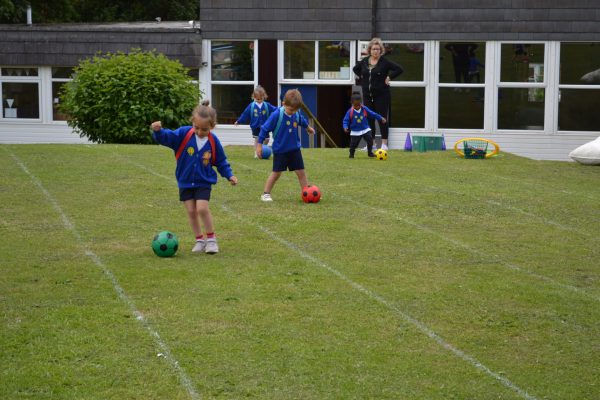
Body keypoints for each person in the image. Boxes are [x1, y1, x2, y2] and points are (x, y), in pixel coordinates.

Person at [150, 100, 238, 254]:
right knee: (191, 211)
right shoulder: (184, 134)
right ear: (192, 123)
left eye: (204, 129)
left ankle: (211, 240)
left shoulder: (213, 141)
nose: (199, 132)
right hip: (185, 181)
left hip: (203, 181)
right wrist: (158, 131)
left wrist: (229, 175)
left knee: (202, 208)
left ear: (212, 126)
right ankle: (199, 240)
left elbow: (221, 161)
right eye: (196, 127)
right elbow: (168, 137)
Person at [255, 89, 315, 202]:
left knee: (301, 172)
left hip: (294, 150)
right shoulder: (277, 115)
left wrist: (308, 128)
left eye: (296, 110)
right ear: (283, 104)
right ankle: (266, 194)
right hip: (280, 150)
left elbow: (301, 120)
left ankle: (307, 193)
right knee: (276, 173)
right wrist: (259, 145)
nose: (293, 112)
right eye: (291, 109)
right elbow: (264, 129)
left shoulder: (296, 114)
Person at [353, 37, 403, 152]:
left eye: (378, 49)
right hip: (367, 95)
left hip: (382, 95)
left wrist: (389, 77)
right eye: (373, 49)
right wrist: (362, 77)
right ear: (370, 50)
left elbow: (399, 69)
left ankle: (384, 144)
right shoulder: (365, 61)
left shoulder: (385, 62)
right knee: (369, 119)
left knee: (382, 119)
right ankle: (372, 144)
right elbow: (355, 69)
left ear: (381, 50)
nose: (375, 51)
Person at [234, 85, 278, 158]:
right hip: (255, 126)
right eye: (257, 99)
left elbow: (275, 109)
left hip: (265, 126)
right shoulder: (251, 106)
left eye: (261, 99)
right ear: (254, 97)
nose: (259, 100)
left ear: (264, 97)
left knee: (266, 139)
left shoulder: (267, 105)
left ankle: (263, 149)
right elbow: (245, 114)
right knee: (257, 139)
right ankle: (256, 152)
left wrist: (281, 110)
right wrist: (239, 121)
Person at [343, 92, 386, 158]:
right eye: (355, 105)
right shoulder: (350, 112)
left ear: (361, 103)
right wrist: (345, 127)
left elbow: (372, 113)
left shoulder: (364, 108)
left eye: (359, 105)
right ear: (352, 103)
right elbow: (345, 120)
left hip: (365, 129)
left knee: (370, 140)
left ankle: (370, 153)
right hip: (355, 131)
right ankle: (351, 154)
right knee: (353, 144)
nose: (357, 107)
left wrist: (380, 118)